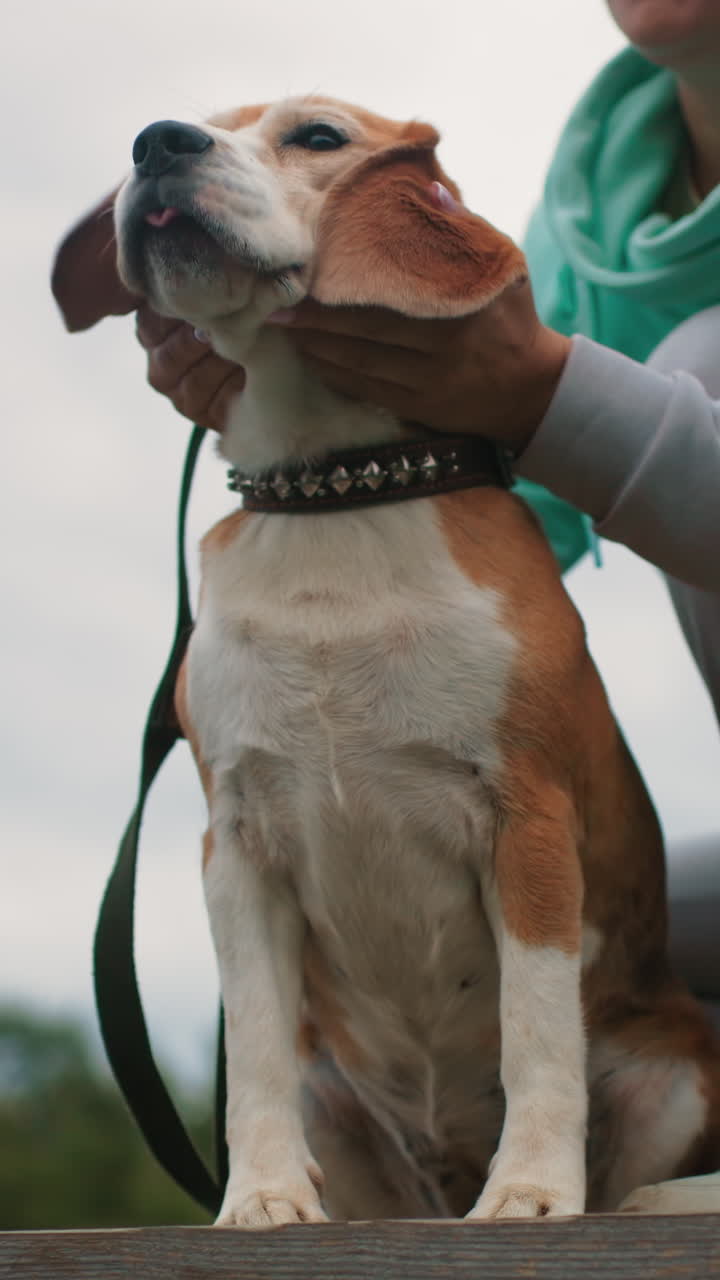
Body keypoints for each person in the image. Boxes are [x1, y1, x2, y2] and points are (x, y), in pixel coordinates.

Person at [135, 0, 720, 1210]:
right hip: (369, 1074)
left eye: (309, 140)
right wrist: (307, 431)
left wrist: (543, 389)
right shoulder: (597, 205)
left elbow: (529, 432)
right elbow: (515, 501)